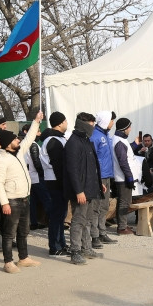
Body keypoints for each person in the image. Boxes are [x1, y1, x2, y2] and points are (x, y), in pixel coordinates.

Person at [0, 111, 44, 274]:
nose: (18, 140)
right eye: (15, 139)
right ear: (8, 143)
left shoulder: (19, 152)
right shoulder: (0, 160)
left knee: (23, 231)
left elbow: (29, 138)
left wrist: (36, 121)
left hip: (24, 198)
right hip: (12, 201)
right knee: (9, 233)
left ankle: (23, 258)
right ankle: (8, 262)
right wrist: (4, 203)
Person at [64, 112, 105, 265]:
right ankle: (75, 251)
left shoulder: (86, 141)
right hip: (80, 190)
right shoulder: (73, 143)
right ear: (83, 124)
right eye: (91, 124)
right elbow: (72, 170)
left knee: (87, 220)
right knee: (78, 220)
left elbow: (92, 166)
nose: (93, 127)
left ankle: (86, 248)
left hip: (90, 187)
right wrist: (79, 191)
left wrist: (98, 183)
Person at [39, 112, 70, 256]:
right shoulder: (53, 141)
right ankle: (55, 246)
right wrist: (65, 183)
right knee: (56, 215)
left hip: (58, 180)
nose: (67, 123)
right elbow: (58, 165)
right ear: (60, 123)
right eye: (65, 121)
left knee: (61, 215)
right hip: (55, 181)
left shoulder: (59, 139)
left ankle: (61, 244)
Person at [89, 111, 117, 247]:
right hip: (98, 177)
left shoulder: (106, 135)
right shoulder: (95, 136)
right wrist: (97, 178)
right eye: (111, 120)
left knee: (104, 206)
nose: (113, 123)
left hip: (107, 175)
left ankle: (102, 232)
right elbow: (92, 158)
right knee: (95, 207)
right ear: (106, 121)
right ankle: (94, 236)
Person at [20, 123, 51, 231]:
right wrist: (42, 174)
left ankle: (34, 222)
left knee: (33, 201)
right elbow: (36, 161)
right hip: (36, 177)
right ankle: (52, 220)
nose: (39, 133)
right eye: (37, 131)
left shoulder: (24, 144)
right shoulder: (32, 145)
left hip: (30, 177)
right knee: (46, 199)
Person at [111, 117, 137, 235]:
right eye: (129, 127)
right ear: (125, 128)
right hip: (123, 177)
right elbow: (123, 162)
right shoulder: (119, 142)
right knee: (124, 202)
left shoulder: (119, 139)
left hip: (122, 176)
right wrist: (129, 177)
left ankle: (123, 224)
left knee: (124, 201)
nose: (130, 129)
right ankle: (122, 227)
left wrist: (135, 145)